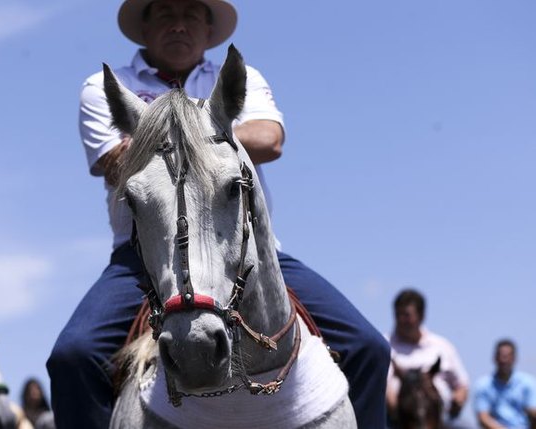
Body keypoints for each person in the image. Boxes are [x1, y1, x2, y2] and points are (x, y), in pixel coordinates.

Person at [46, 1, 390, 428]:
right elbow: (113, 160)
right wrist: (211, 130)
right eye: (165, 14)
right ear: (144, 26)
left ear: (209, 29)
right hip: (143, 259)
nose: (179, 24)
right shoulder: (105, 87)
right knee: (73, 357)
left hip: (249, 249)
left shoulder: (238, 78)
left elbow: (270, 137)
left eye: (191, 14)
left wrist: (180, 133)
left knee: (368, 348)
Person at [386, 288, 470, 427]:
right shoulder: (385, 346)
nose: (401, 320)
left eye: (406, 315)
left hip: (440, 419)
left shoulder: (442, 346)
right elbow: (385, 386)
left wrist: (458, 399)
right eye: (398, 314)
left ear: (421, 316)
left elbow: (461, 385)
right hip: (395, 421)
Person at [473, 339, 536, 429]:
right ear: (495, 358)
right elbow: (483, 417)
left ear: (514, 358)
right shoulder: (483, 385)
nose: (504, 360)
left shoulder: (527, 382)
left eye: (507, 356)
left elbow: (533, 410)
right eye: (501, 356)